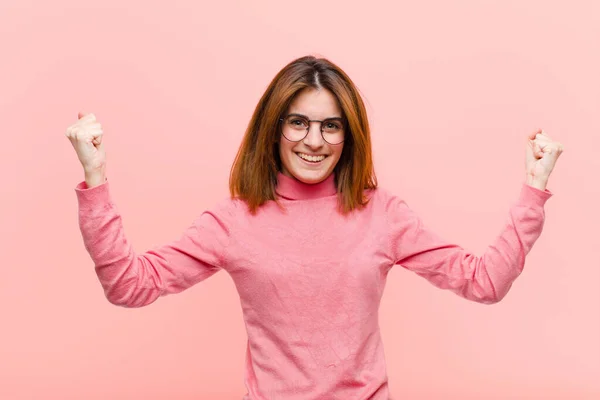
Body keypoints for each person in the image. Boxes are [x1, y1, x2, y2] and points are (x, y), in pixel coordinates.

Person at [65, 55, 564, 400]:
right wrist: (96, 179)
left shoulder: (382, 213)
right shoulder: (233, 220)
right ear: (274, 128)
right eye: (298, 122)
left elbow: (484, 282)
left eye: (331, 125)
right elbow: (129, 286)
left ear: (348, 136)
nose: (314, 140)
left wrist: (533, 189)